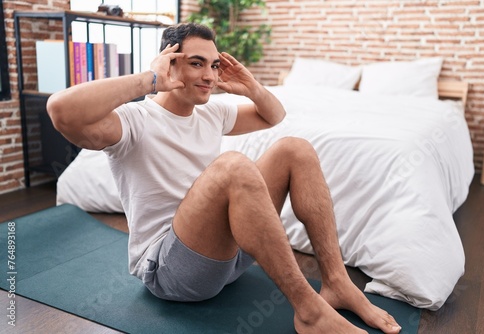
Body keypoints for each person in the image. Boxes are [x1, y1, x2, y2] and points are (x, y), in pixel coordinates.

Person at [47, 22, 401, 333]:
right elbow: (61, 110)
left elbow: (274, 116)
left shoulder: (211, 113)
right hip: (170, 271)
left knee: (295, 148)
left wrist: (251, 87)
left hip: (224, 261)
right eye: (196, 63)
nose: (209, 76)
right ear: (168, 64)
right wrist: (150, 80)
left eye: (213, 65)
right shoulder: (134, 121)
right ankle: (309, 311)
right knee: (232, 165)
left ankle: (337, 283)